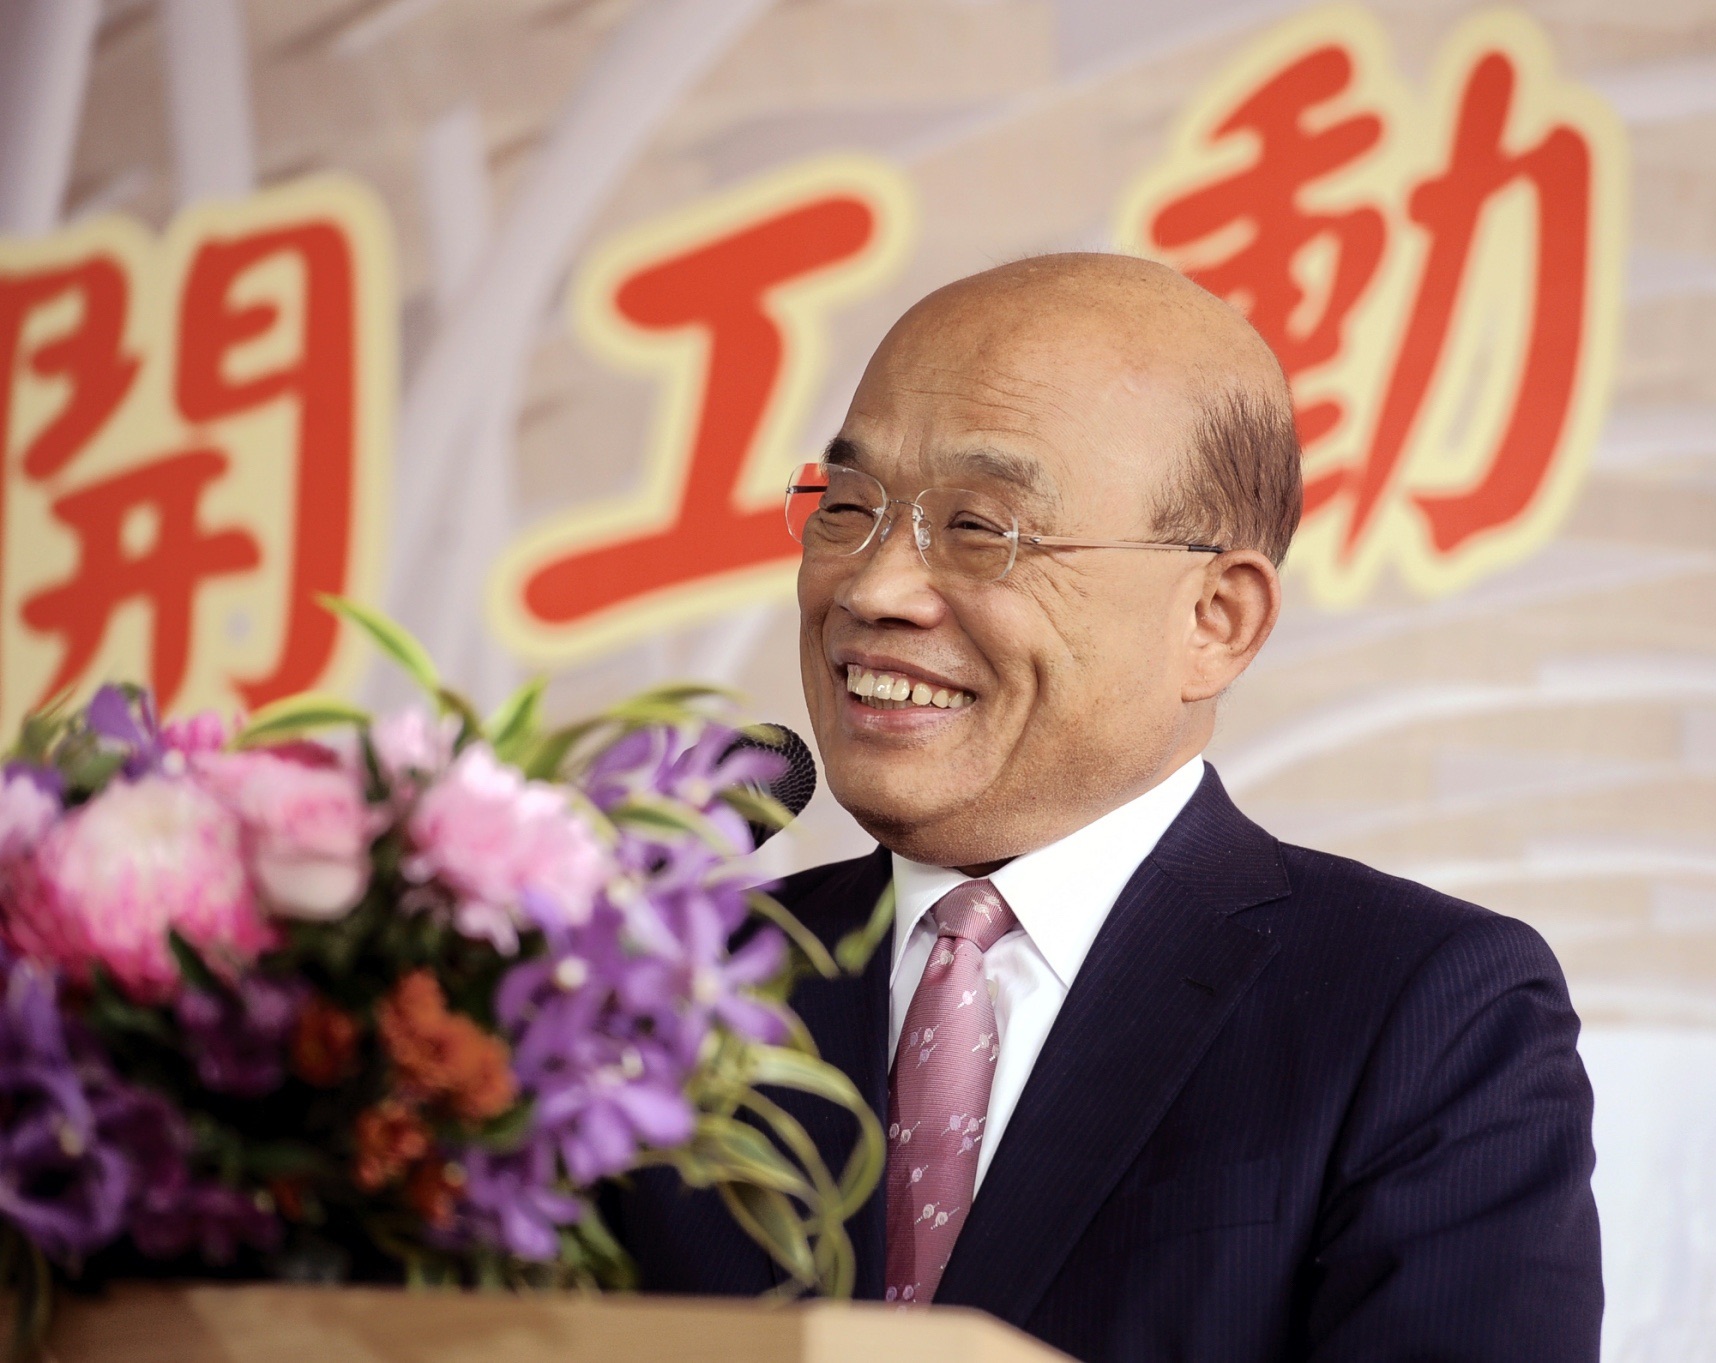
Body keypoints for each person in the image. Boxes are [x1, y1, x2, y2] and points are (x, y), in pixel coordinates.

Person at [609, 254, 1602, 1362]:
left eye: (980, 528)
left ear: (1215, 619)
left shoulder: (1421, 1011)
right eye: (847, 508)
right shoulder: (658, 988)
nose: (872, 588)